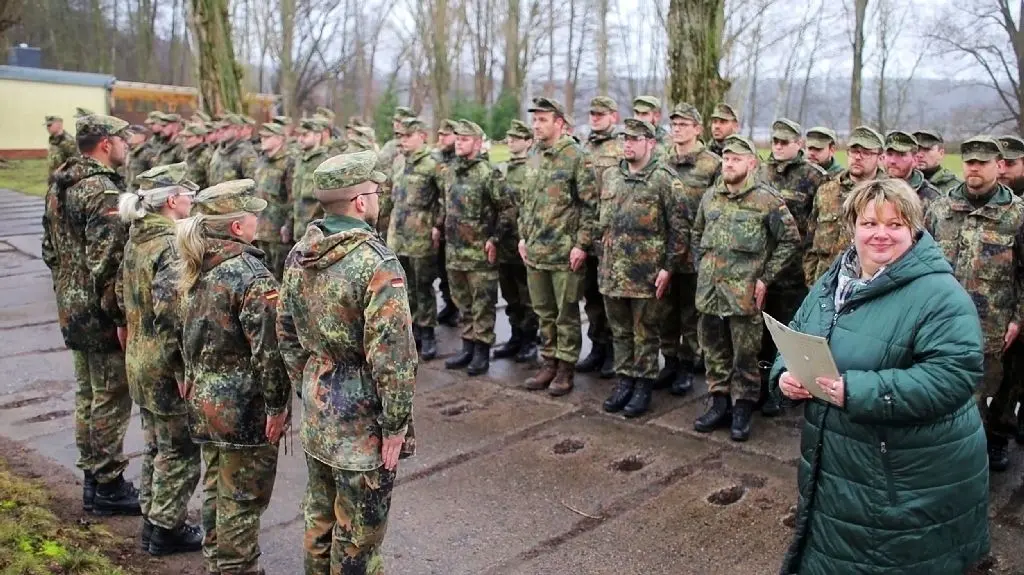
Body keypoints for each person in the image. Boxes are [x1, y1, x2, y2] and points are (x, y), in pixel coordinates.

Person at [775, 178, 989, 575]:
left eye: (895, 224)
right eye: (869, 223)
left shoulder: (940, 295)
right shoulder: (834, 279)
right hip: (842, 461)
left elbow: (953, 376)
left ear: (915, 229)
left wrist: (857, 391)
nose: (880, 234)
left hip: (903, 475)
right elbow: (797, 332)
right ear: (852, 226)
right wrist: (784, 375)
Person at [276, 151, 416, 575]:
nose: (378, 200)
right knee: (359, 538)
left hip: (320, 411)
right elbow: (392, 357)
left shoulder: (301, 252)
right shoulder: (376, 263)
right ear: (359, 202)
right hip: (362, 424)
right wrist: (396, 425)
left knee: (319, 521)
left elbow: (286, 333)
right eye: (374, 192)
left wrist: (309, 384)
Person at [174, 180, 291, 575]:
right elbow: (269, 354)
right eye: (252, 214)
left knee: (215, 489)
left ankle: (217, 562)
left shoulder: (197, 263)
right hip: (242, 408)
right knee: (242, 499)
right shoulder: (251, 277)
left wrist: (187, 375)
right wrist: (277, 407)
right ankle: (237, 568)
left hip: (205, 400)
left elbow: (182, 332)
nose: (259, 219)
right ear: (237, 228)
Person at [41, 114, 141, 517]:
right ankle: (107, 483)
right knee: (110, 397)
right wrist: (121, 318)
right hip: (99, 313)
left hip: (72, 305)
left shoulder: (61, 184)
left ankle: (93, 479)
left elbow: (49, 249)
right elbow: (109, 265)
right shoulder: (101, 192)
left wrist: (68, 288)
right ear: (105, 144)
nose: (127, 146)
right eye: (123, 139)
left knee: (88, 394)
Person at [116, 163, 203, 555]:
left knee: (155, 444)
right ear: (172, 201)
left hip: (140, 355)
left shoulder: (138, 237)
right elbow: (172, 315)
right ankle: (166, 528)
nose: (192, 201)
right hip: (164, 365)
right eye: (188, 195)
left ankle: (153, 520)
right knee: (179, 450)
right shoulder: (169, 244)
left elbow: (121, 294)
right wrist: (182, 368)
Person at [691, 135, 800, 441]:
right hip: (710, 292)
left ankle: (742, 406)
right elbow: (697, 233)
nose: (729, 163)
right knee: (713, 351)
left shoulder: (767, 200)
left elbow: (790, 241)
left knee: (745, 355)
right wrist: (703, 269)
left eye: (736, 159)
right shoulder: (711, 197)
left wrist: (765, 278)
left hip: (744, 294)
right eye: (726, 158)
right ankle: (719, 402)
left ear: (752, 163)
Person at [926, 136, 1024, 473]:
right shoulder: (940, 209)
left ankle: (984, 449)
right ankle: (948, 456)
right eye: (969, 162)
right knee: (943, 391)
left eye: (983, 163)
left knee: (987, 395)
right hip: (941, 322)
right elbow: (919, 262)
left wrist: (1018, 318)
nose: (974, 169)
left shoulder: (1016, 215)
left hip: (992, 326)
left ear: (999, 165)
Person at [598, 119, 688, 417]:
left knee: (645, 334)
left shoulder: (664, 179)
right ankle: (624, 381)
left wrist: (668, 268)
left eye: (635, 139)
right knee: (620, 332)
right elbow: (602, 221)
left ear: (650, 143)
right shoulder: (612, 176)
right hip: (613, 272)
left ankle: (643, 386)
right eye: (625, 138)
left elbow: (679, 230)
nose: (628, 144)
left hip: (647, 276)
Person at [520, 97, 598, 396]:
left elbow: (591, 206)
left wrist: (581, 245)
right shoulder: (534, 154)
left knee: (566, 314)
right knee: (544, 312)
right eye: (535, 120)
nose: (537, 125)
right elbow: (527, 202)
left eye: (543, 120)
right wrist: (523, 236)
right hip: (537, 250)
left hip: (564, 252)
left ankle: (565, 369)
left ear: (559, 123)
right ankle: (549, 362)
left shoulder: (576, 156)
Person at [757, 119, 826, 416]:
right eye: (775, 141)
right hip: (761, 270)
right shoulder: (761, 171)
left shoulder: (814, 177)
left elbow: (816, 227)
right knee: (759, 335)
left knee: (787, 338)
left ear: (798, 144)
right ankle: (760, 387)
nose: (778, 146)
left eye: (785, 142)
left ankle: (784, 390)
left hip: (793, 274)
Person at [659, 102, 720, 394]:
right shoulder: (661, 160)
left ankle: (687, 364)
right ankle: (669, 361)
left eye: (684, 124)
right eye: (674, 125)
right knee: (665, 312)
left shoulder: (711, 164)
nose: (677, 129)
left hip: (695, 253)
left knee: (691, 314)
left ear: (697, 128)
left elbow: (718, 208)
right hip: (665, 251)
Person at [440, 120, 507, 376]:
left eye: (465, 139)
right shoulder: (450, 171)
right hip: (455, 251)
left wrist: (495, 239)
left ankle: (482, 350)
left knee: (482, 305)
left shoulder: (488, 173)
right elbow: (446, 206)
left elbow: (506, 210)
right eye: (457, 138)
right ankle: (467, 345)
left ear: (478, 143)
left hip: (479, 253)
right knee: (463, 303)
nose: (459, 142)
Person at [389, 117, 447, 362]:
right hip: (399, 235)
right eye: (400, 137)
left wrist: (438, 225)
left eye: (407, 136)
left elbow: (445, 198)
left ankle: (428, 332)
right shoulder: (400, 162)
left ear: (421, 136)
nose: (402, 141)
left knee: (423, 287)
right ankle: (412, 332)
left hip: (421, 235)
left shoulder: (433, 164)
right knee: (403, 287)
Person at [803, 126, 886, 285]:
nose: (858, 157)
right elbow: (810, 243)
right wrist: (811, 280)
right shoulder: (827, 191)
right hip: (825, 284)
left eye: (866, 153)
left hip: (871, 286)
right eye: (854, 151)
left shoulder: (891, 195)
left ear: (880, 157)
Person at [577, 96, 621, 379]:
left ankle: (614, 354)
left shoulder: (621, 147)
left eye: (601, 114)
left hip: (609, 236)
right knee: (591, 297)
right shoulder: (584, 146)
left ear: (613, 117)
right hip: (587, 234)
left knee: (611, 301)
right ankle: (597, 347)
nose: (595, 118)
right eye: (592, 113)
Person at [492, 120, 539, 363]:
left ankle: (530, 338)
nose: (511, 141)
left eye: (517, 138)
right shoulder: (501, 168)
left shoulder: (534, 167)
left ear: (528, 141)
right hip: (505, 241)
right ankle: (515, 335)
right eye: (509, 137)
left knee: (527, 294)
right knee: (510, 294)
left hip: (524, 240)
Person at [254, 122, 296, 280]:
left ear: (279, 139)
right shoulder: (261, 161)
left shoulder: (288, 162)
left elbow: (293, 198)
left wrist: (288, 225)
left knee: (279, 277)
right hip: (260, 229)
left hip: (278, 231)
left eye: (267, 136)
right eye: (262, 136)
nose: (262, 139)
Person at [914, 130, 962, 194]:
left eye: (926, 149)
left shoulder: (957, 188)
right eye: (916, 149)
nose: (919, 155)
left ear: (941, 153)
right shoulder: (901, 183)